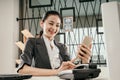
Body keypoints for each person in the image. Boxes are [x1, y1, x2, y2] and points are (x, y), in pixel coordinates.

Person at [17, 10, 92, 76]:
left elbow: (69, 67)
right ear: (42, 23)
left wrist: (84, 61)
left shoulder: (62, 47)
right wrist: (57, 72)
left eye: (57, 25)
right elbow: (23, 69)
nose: (54, 28)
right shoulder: (32, 42)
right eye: (51, 23)